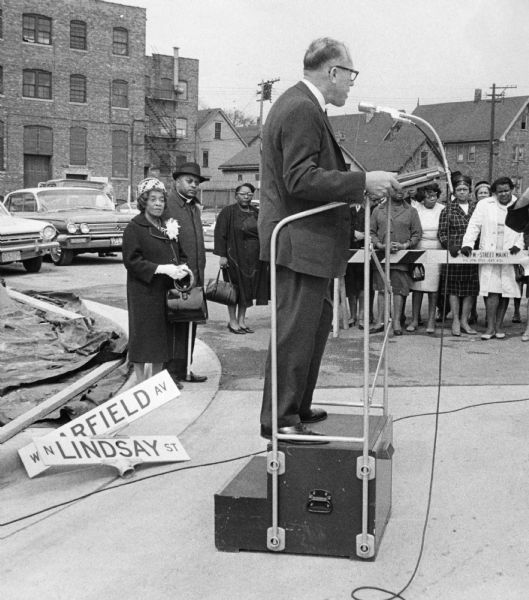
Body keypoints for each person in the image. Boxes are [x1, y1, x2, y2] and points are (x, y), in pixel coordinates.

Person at [258, 37, 400, 443]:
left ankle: (296, 407)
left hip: (311, 245)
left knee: (312, 331)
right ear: (332, 72)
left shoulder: (303, 105)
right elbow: (300, 178)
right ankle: (280, 418)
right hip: (300, 243)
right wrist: (361, 181)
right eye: (350, 74)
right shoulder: (302, 108)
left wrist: (359, 189)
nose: (352, 84)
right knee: (295, 334)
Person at [122, 178, 191, 384]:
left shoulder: (167, 227)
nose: (158, 204)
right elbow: (132, 261)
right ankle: (141, 383)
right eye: (153, 199)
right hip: (144, 291)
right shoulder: (135, 228)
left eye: (161, 200)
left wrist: (182, 268)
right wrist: (161, 269)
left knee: (162, 337)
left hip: (165, 291)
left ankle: (156, 382)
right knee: (143, 337)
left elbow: (180, 254)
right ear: (144, 202)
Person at [462, 176, 524, 340]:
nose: (503, 194)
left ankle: (499, 326)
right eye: (500, 192)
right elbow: (474, 225)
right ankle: (489, 327)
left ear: (512, 190)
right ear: (495, 193)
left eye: (506, 190)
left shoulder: (520, 204)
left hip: (509, 252)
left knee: (505, 289)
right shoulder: (484, 205)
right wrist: (468, 243)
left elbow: (524, 228)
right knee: (490, 290)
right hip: (489, 251)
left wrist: (519, 244)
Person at [164, 162, 209, 384]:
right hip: (178, 277)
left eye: (197, 183)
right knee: (176, 326)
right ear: (177, 181)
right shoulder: (168, 206)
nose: (194, 186)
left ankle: (185, 369)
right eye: (189, 181)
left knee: (191, 323)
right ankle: (171, 374)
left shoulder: (192, 207)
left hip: (194, 276)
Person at [213, 183, 268, 333]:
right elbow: (220, 234)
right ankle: (232, 321)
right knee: (234, 290)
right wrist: (222, 255)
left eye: (249, 194)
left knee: (247, 290)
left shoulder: (256, 212)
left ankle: (242, 321)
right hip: (234, 256)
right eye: (243, 194)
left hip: (253, 259)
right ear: (236, 195)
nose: (246, 197)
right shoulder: (228, 212)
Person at [370, 190, 422, 335]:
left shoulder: (411, 211)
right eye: (396, 189)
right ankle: (380, 321)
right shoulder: (378, 210)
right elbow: (371, 232)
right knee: (382, 289)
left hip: (402, 258)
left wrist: (405, 245)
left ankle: (397, 321)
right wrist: (380, 245)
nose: (400, 192)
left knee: (399, 290)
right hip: (381, 257)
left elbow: (417, 233)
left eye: (403, 190)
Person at [437, 173, 479, 336]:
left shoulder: (476, 209)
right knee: (454, 288)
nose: (462, 192)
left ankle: (464, 320)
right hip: (454, 254)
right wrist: (450, 246)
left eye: (465, 189)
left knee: (470, 288)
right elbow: (441, 232)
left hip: (472, 253)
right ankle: (455, 319)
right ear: (454, 192)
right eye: (459, 189)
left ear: (469, 191)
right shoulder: (448, 210)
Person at [406, 183, 444, 334]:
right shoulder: (416, 209)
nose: (431, 197)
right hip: (419, 251)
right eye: (428, 195)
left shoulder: (442, 209)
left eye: (434, 194)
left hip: (437, 251)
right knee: (418, 286)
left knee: (433, 289)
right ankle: (415, 319)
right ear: (423, 196)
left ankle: (431, 320)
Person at [344, 198, 374, 329]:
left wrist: (365, 235)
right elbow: (342, 226)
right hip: (348, 250)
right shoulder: (346, 210)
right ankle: (352, 315)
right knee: (351, 285)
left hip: (364, 251)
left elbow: (374, 228)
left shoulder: (371, 210)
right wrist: (352, 233)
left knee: (363, 285)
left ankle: (362, 315)